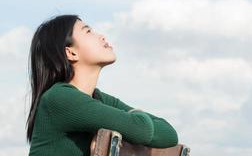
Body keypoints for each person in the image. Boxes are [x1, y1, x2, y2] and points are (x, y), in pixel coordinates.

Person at [26, 14, 178, 156]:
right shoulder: (60, 98)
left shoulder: (98, 98)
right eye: (88, 31)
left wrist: (135, 122)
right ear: (71, 53)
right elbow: (141, 130)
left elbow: (170, 134)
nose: (102, 36)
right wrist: (134, 118)